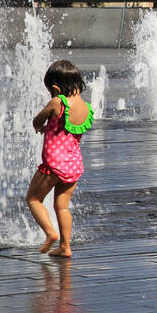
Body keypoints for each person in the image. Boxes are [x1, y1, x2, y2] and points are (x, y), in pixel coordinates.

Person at [26, 60, 94, 258]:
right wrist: (50, 128)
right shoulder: (86, 108)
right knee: (62, 206)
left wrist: (40, 127)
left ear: (55, 88)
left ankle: (50, 233)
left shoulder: (57, 102)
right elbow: (66, 131)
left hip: (53, 165)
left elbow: (37, 121)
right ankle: (65, 246)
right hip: (73, 166)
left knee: (33, 198)